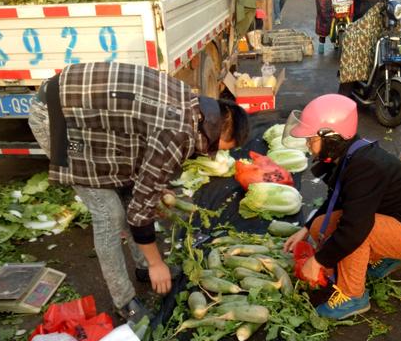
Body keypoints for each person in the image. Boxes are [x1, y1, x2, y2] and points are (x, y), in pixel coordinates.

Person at [28, 62, 249, 322]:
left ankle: (142, 266)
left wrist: (154, 185)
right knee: (110, 215)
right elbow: (141, 210)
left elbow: (146, 166)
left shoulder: (195, 108)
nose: (217, 153)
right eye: (223, 147)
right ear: (216, 130)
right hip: (56, 116)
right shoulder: (179, 132)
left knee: (131, 192)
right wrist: (158, 263)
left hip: (86, 113)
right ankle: (124, 301)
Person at [282, 94, 401, 320]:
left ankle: (353, 297)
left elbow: (353, 230)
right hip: (400, 219)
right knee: (319, 226)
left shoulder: (365, 167)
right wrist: (305, 227)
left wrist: (318, 260)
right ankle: (392, 255)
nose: (308, 146)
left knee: (357, 231)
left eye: (311, 139)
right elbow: (336, 199)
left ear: (331, 137)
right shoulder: (350, 154)